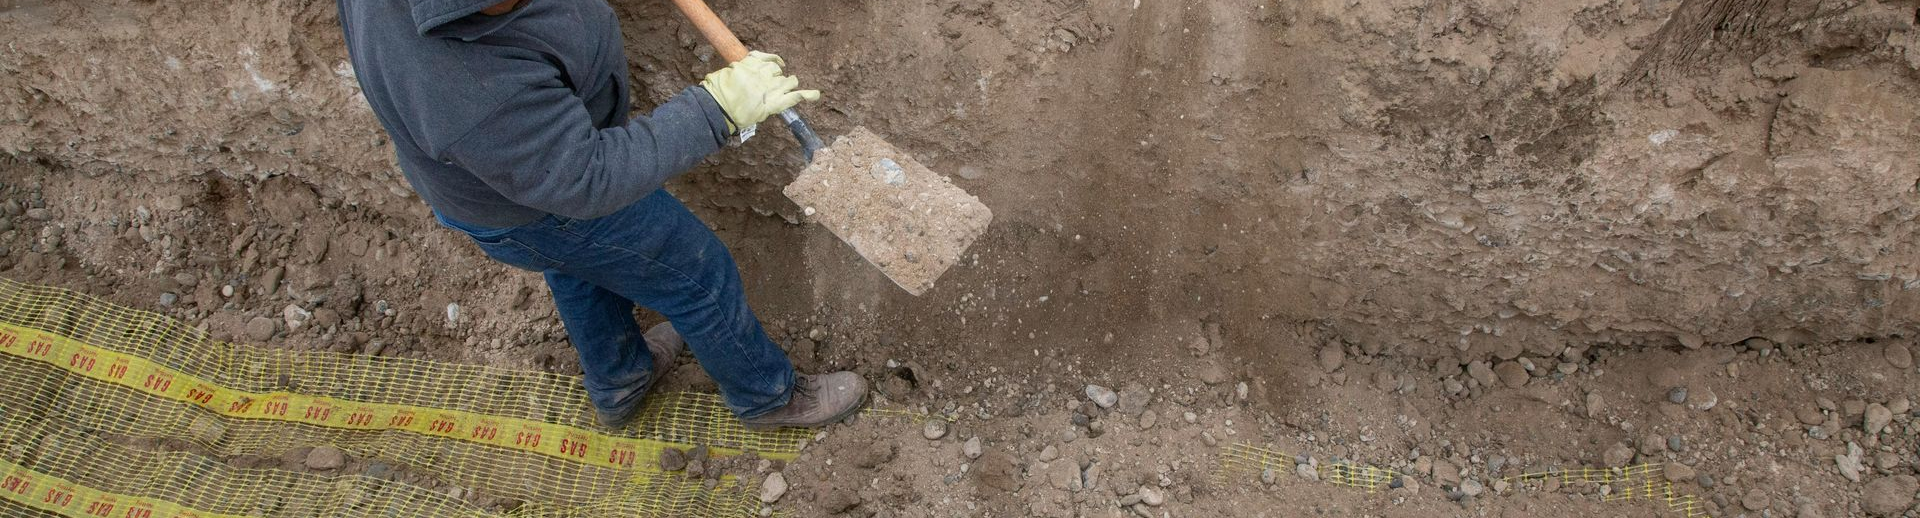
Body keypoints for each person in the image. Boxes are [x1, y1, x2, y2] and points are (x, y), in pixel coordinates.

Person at [337, 0, 867, 431]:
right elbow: (585, 179)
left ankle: (621, 378)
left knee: (581, 264)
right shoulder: (464, 87)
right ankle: (767, 395)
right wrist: (717, 109)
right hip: (538, 204)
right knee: (694, 271)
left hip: (502, 188)